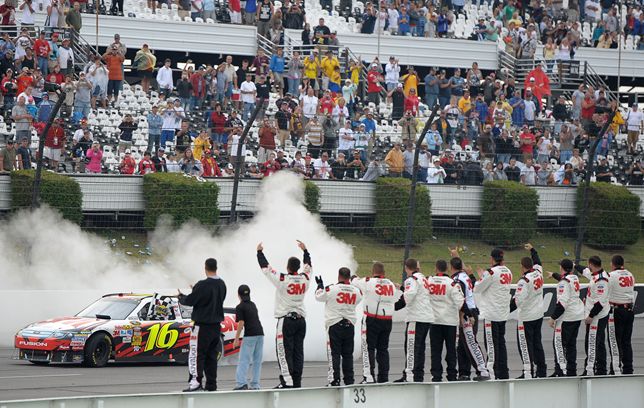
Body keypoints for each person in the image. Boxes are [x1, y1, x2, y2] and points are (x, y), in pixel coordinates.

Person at [257, 240, 311, 389]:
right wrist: (305, 251)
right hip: (301, 320)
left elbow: (266, 269)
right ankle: (296, 381)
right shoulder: (305, 278)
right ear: (298, 267)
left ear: (288, 267)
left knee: (284, 351)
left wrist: (259, 252)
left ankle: (287, 381)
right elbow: (308, 266)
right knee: (298, 351)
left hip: (286, 320)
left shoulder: (282, 278)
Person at [178, 258, 227, 392]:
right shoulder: (222, 284)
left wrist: (181, 297)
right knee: (212, 356)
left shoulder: (202, 284)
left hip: (202, 326)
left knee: (196, 354)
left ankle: (195, 382)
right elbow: (213, 299)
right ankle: (211, 384)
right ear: (216, 268)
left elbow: (191, 300)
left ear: (205, 268)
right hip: (216, 326)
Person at [350, 262, 397, 383]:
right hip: (387, 320)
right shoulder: (391, 284)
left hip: (372, 319)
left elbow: (354, 281)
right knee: (383, 349)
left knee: (368, 348)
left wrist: (354, 276)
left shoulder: (368, 281)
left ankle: (369, 377)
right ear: (384, 273)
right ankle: (384, 377)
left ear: (372, 272)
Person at [315, 267, 363, 386]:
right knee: (348, 355)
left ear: (338, 276)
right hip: (349, 325)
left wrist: (320, 285)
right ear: (349, 276)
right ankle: (349, 380)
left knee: (334, 353)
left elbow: (318, 296)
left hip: (334, 324)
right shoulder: (356, 291)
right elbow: (359, 299)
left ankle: (334, 380)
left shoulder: (332, 288)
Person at [449, 250, 491, 381]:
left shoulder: (457, 279)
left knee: (471, 342)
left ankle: (483, 371)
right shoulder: (465, 275)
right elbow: (469, 277)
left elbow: (461, 299)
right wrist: (457, 256)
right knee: (462, 345)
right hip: (471, 311)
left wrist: (464, 314)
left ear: (451, 268)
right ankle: (464, 373)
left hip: (467, 313)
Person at [473, 249, 512, 380]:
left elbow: (477, 288)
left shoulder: (491, 272)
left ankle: (491, 373)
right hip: (503, 314)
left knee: (491, 345)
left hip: (491, 314)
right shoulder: (508, 271)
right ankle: (503, 372)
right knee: (501, 343)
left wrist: (480, 276)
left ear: (492, 259)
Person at [510, 243, 546, 378]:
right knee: (537, 343)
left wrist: (504, 312)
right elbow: (538, 261)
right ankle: (541, 371)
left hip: (526, 317)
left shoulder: (524, 281)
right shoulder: (538, 273)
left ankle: (528, 372)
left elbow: (517, 301)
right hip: (538, 314)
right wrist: (533, 250)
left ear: (522, 266)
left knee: (525, 345)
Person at [395, 258, 433, 383]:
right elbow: (418, 293)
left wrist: (392, 307)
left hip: (416, 318)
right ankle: (418, 376)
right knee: (420, 348)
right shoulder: (423, 278)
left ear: (407, 268)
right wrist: (401, 288)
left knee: (411, 347)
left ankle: (409, 376)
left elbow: (409, 296)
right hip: (426, 317)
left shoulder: (411, 280)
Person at [427, 259, 465, 382]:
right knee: (451, 350)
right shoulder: (452, 283)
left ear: (436, 268)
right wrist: (468, 315)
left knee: (435, 351)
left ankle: (436, 376)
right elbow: (460, 303)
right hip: (450, 322)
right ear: (447, 268)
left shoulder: (429, 281)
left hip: (434, 321)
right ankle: (452, 375)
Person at [547, 259, 584, 377]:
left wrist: (552, 318)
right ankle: (571, 371)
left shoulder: (564, 282)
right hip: (577, 316)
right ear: (572, 269)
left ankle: (560, 371)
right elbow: (565, 280)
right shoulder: (574, 278)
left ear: (561, 267)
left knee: (559, 344)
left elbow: (562, 303)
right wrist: (553, 275)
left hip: (566, 318)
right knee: (571, 345)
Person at [574, 256, 609, 376]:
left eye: (588, 265)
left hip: (597, 317)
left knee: (591, 343)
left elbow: (600, 302)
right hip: (596, 315)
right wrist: (575, 266)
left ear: (591, 264)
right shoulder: (596, 273)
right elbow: (585, 271)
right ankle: (601, 370)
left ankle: (589, 370)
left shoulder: (602, 280)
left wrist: (590, 316)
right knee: (598, 343)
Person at [233, 284, 264, 391]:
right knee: (257, 360)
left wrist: (236, 339)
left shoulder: (240, 307)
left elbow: (241, 323)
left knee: (244, 360)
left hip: (250, 335)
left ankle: (241, 383)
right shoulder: (253, 304)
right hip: (260, 334)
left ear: (239, 295)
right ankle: (255, 384)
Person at [607, 255, 635, 375]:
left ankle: (615, 368)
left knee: (615, 341)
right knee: (626, 341)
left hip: (617, 310)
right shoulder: (630, 274)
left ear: (612, 264)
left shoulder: (611, 276)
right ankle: (628, 368)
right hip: (629, 310)